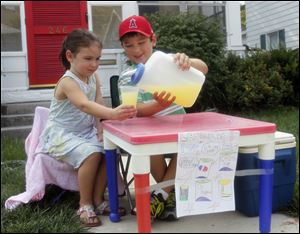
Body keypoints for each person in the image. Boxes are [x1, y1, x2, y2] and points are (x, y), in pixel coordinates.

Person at [38, 29, 137, 227]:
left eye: (97, 58)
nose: (94, 64)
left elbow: (97, 101)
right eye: (88, 58)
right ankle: (84, 204)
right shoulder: (68, 82)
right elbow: (84, 104)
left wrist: (101, 129)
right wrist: (113, 113)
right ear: (70, 56)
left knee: (109, 150)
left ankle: (99, 199)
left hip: (84, 131)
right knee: (91, 153)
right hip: (61, 134)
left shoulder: (93, 77)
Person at [118, 16, 208, 221]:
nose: (137, 49)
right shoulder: (128, 76)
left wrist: (188, 61)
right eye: (129, 45)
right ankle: (168, 196)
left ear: (153, 40)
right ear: (123, 48)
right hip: (150, 134)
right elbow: (134, 110)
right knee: (149, 147)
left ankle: (159, 195)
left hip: (179, 130)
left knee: (191, 142)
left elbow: (203, 68)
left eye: (142, 43)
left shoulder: (170, 62)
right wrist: (159, 106)